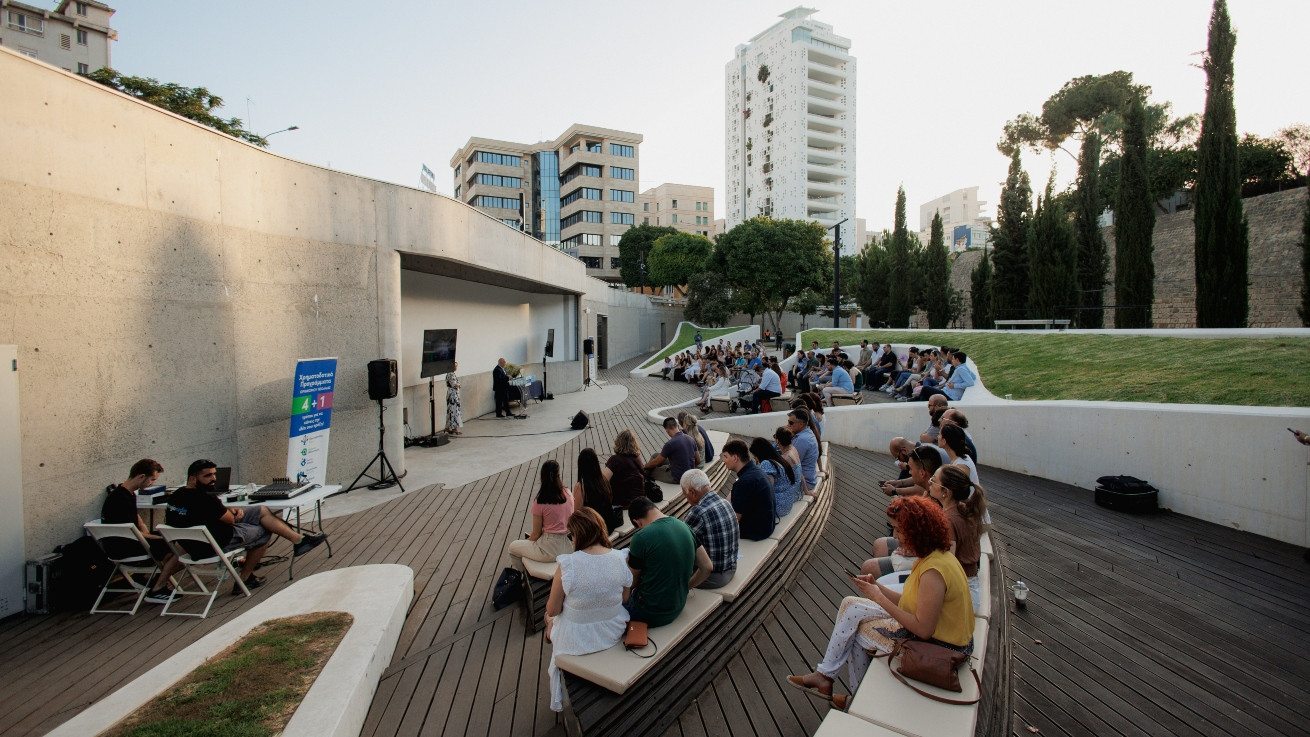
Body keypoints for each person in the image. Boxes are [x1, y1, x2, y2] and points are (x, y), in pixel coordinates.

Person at [787, 496, 974, 705]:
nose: (896, 536)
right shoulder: (932, 557)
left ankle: (853, 697)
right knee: (851, 604)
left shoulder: (933, 571)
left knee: (857, 634)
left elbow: (923, 630)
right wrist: (878, 588)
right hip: (938, 637)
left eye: (900, 530)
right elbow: (912, 601)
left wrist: (879, 598)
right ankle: (826, 677)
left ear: (917, 533)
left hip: (941, 650)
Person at [161, 459, 326, 595]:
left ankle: (299, 540)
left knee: (260, 510)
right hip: (216, 542)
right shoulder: (205, 499)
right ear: (192, 478)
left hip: (193, 541)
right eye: (207, 476)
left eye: (214, 475)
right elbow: (230, 521)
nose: (213, 479)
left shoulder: (176, 496)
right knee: (264, 531)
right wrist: (234, 513)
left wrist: (230, 510)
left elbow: (211, 513)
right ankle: (244, 580)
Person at [544, 508, 631, 712]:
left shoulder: (568, 565)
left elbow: (554, 609)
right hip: (612, 631)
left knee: (549, 616)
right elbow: (624, 598)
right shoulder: (620, 558)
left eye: (571, 534)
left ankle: (549, 632)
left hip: (575, 639)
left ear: (578, 535)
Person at [626, 497, 712, 626]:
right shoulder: (685, 527)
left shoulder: (641, 537)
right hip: (678, 606)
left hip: (648, 612)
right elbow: (707, 567)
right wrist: (686, 587)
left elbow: (632, 582)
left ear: (637, 522)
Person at [863, 447, 945, 575]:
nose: (910, 473)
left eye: (911, 469)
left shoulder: (936, 501)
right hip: (919, 546)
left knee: (869, 567)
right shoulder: (928, 491)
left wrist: (914, 549)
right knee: (879, 545)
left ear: (922, 473)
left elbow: (941, 543)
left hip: (926, 557)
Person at [928, 465, 988, 612]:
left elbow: (947, 567)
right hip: (969, 587)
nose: (930, 482)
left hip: (961, 596)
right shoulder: (963, 510)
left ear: (945, 492)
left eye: (934, 481)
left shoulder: (948, 520)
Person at [100, 458, 171, 563]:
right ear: (141, 477)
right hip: (123, 547)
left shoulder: (126, 492)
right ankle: (157, 575)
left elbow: (135, 518)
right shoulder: (120, 499)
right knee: (174, 544)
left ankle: (157, 572)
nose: (152, 483)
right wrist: (155, 537)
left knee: (169, 536)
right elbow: (132, 532)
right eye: (152, 479)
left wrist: (144, 528)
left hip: (127, 540)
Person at [506, 460, 575, 566]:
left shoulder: (540, 501)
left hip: (549, 550)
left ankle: (523, 577)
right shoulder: (568, 493)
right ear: (558, 475)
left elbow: (536, 534)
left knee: (513, 547)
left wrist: (527, 543)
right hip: (569, 545)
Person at [681, 469, 738, 590]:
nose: (686, 499)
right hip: (731, 568)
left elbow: (679, 543)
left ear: (692, 492)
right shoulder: (725, 502)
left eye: (685, 495)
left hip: (713, 578)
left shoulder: (698, 512)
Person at [721, 439, 774, 540]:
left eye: (726, 456)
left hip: (756, 532)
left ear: (735, 458)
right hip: (766, 526)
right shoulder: (756, 471)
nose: (724, 461)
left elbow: (735, 519)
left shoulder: (745, 482)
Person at [574, 449, 622, 533]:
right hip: (609, 526)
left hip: (595, 530)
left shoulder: (581, 486)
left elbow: (577, 514)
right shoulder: (604, 480)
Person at [751, 437, 801, 518]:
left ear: (759, 454)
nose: (756, 459)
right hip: (787, 503)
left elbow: (766, 489)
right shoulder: (778, 459)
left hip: (778, 507)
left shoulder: (766, 463)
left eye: (755, 456)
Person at [643, 417, 698, 484]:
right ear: (677, 426)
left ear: (667, 430)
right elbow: (698, 460)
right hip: (689, 474)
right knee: (655, 455)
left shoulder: (670, 444)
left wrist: (645, 466)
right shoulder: (690, 439)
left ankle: (643, 475)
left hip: (677, 477)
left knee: (652, 470)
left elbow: (657, 462)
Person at [603, 429, 646, 508]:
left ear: (618, 442)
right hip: (638, 500)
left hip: (622, 502)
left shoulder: (615, 460)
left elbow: (602, 481)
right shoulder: (637, 459)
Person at [786, 410, 820, 490]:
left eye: (791, 423)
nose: (788, 425)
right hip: (809, 479)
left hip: (805, 483)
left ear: (801, 424)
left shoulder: (802, 439)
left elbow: (791, 463)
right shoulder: (807, 433)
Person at [445, 361, 463, 434]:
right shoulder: (451, 374)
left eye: (456, 366)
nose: (456, 367)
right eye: (454, 366)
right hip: (453, 395)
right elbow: (454, 384)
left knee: (451, 411)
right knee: (454, 411)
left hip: (453, 394)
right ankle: (454, 428)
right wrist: (458, 384)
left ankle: (448, 427)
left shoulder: (450, 373)